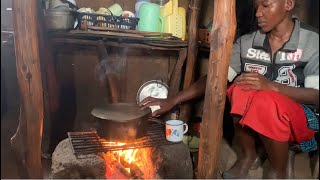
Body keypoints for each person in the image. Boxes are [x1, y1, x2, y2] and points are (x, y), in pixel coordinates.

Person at [139, 0, 319, 178]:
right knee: (238, 88)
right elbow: (216, 79)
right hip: (262, 118)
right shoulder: (247, 42)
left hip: (302, 120)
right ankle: (249, 156)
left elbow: (315, 96)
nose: (258, 13)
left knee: (266, 99)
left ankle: (279, 171)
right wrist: (173, 100)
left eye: (265, 5)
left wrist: (271, 86)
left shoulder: (312, 41)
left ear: (288, 4)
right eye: (257, 7)